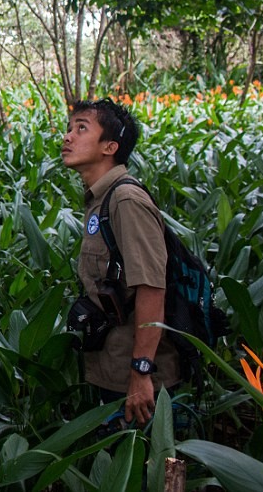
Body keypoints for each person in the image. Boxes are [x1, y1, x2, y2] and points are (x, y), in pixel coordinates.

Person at [61, 98, 180, 427]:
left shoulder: (125, 199)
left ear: (110, 146)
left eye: (81, 128)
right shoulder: (101, 198)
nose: (68, 136)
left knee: (141, 472)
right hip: (111, 367)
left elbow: (152, 288)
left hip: (138, 381)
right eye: (69, 128)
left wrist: (141, 372)